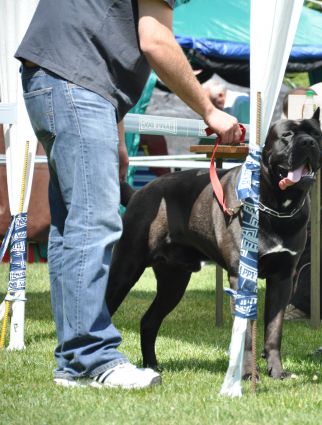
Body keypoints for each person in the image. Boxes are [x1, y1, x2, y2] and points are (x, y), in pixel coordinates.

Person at [15, 0, 242, 388]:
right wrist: (210, 110)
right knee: (94, 222)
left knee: (71, 227)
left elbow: (104, 36)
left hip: (54, 78)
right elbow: (155, 41)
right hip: (75, 82)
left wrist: (116, 136)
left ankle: (73, 359)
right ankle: (91, 357)